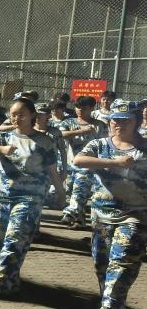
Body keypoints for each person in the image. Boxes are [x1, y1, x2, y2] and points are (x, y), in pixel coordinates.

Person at [0, 97, 66, 300]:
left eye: (21, 114)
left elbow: (52, 170)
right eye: (13, 114)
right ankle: (12, 283)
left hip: (30, 198)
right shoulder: (3, 137)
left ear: (32, 115)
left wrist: (61, 193)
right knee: (4, 244)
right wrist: (0, 149)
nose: (16, 118)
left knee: (14, 239)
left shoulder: (44, 141)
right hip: (2, 197)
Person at [73, 100, 147, 309]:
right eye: (115, 120)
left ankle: (109, 307)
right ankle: (115, 303)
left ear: (136, 122)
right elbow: (79, 160)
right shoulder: (100, 145)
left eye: (125, 121)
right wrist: (114, 162)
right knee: (102, 264)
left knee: (123, 259)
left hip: (136, 215)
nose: (119, 124)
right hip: (102, 214)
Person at [58, 96, 108, 228]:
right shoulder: (68, 122)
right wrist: (81, 131)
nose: (79, 110)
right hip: (70, 163)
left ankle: (70, 213)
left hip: (88, 165)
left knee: (80, 188)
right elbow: (61, 134)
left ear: (91, 108)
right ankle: (80, 220)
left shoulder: (100, 125)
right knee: (73, 191)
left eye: (84, 108)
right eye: (77, 107)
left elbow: (105, 143)